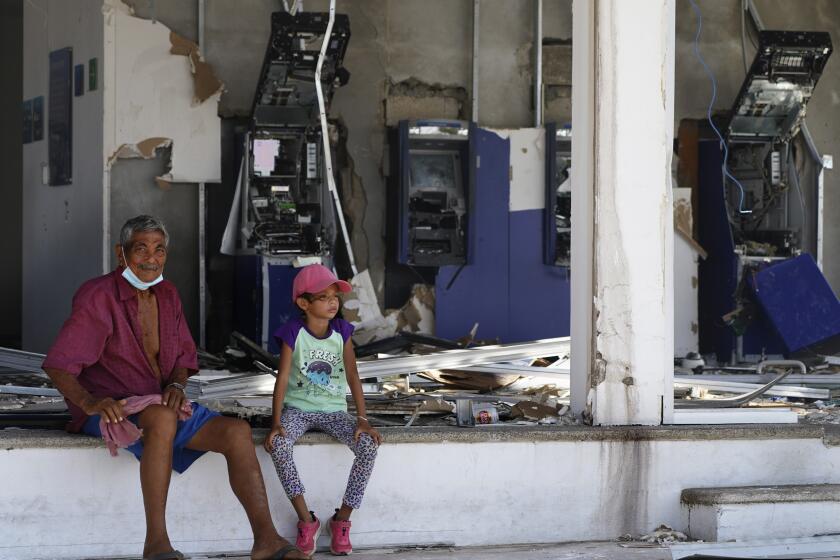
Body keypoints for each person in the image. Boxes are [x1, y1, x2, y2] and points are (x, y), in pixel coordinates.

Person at [43, 215, 306, 560]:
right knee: (162, 419)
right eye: (141, 249)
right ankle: (157, 544)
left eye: (159, 249)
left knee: (236, 431)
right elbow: (58, 364)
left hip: (157, 405)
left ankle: (266, 541)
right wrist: (89, 402)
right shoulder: (98, 295)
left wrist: (178, 385)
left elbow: (182, 357)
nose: (151, 258)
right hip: (112, 409)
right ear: (121, 255)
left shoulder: (167, 294)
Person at [263, 264, 381, 556]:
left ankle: (342, 520)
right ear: (304, 303)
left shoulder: (341, 330)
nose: (333, 302)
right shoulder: (293, 332)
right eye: (323, 296)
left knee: (368, 446)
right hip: (298, 409)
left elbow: (353, 375)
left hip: (334, 411)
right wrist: (276, 422)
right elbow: (282, 378)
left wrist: (362, 419)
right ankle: (307, 520)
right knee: (279, 446)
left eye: (335, 296)